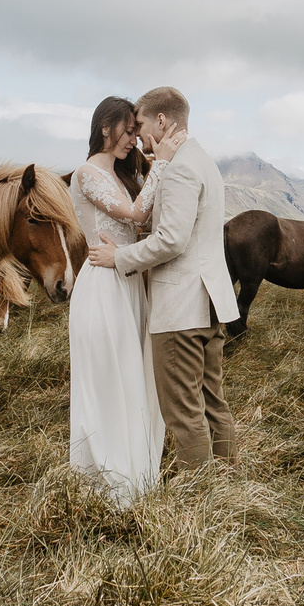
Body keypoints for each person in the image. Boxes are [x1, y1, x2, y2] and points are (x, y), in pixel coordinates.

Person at [90, 85, 240, 470]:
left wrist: (119, 256)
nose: (136, 134)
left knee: (184, 414)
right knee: (212, 401)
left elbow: (172, 240)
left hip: (181, 310)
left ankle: (200, 499)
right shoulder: (204, 161)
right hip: (210, 302)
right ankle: (227, 485)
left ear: (161, 120)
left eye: (139, 124)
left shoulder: (179, 169)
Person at [64, 97, 164, 504]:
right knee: (108, 377)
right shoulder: (88, 173)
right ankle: (107, 474)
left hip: (126, 282)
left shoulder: (118, 174)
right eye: (128, 130)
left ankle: (132, 463)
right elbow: (136, 216)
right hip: (104, 285)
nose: (133, 139)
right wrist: (164, 166)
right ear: (106, 127)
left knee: (130, 374)